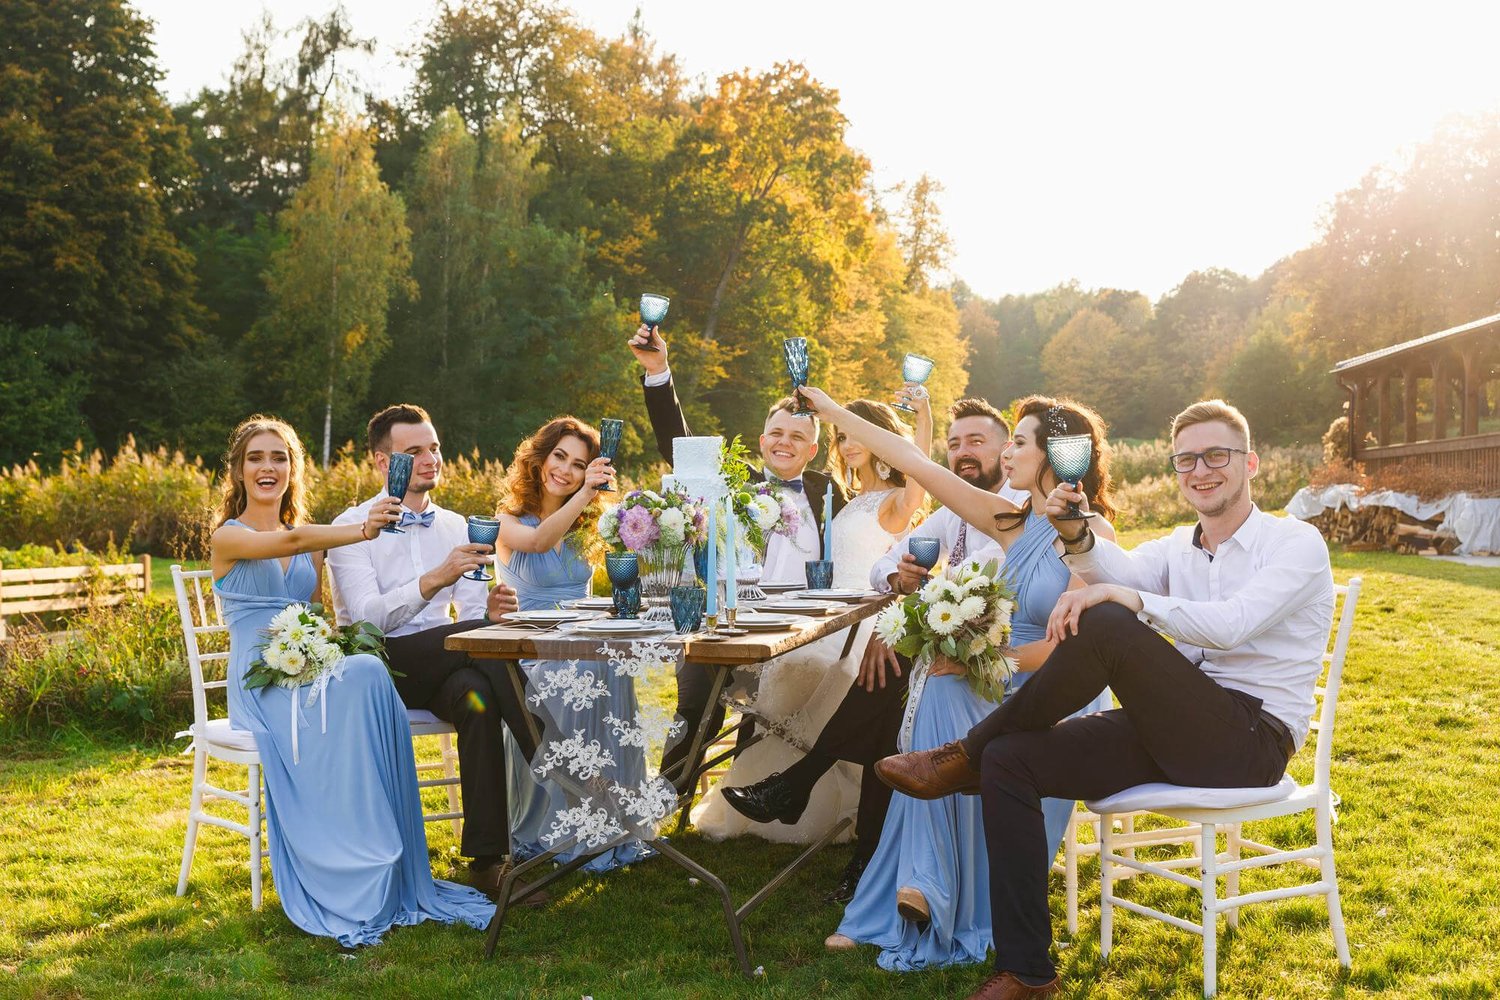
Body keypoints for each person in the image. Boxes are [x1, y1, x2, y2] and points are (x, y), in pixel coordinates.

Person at [874, 399, 1334, 1000]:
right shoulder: (1177, 546)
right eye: (1187, 459)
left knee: (1112, 623)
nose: (1201, 470)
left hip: (1249, 742)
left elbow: (1231, 624)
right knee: (1011, 759)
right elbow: (1114, 565)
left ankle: (964, 753)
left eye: (1216, 456)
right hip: (1169, 730)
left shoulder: (1295, 542)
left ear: (1250, 463)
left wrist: (1123, 599)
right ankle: (1027, 973)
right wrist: (1075, 534)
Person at [796, 389, 1118, 972]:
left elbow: (1066, 650)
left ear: (1055, 456)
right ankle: (922, 884)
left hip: (1053, 694)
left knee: (945, 689)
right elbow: (915, 463)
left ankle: (922, 888)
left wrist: (981, 660)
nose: (1010, 452)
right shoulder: (1009, 523)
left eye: (1020, 442)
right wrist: (832, 413)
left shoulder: (1090, 540)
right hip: (998, 677)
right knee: (938, 685)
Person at [717, 398, 1027, 903]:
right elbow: (888, 562)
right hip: (941, 650)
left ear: (1008, 450)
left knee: (890, 683)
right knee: (888, 692)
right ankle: (860, 849)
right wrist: (896, 584)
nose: (963, 452)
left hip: (1007, 663)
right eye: (954, 443)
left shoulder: (1019, 507)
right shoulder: (950, 512)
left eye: (976, 442)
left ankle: (802, 787)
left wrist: (892, 626)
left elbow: (978, 595)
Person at [211, 415, 496, 946]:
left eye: (279, 458)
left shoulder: (312, 538)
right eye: (256, 458)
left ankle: (385, 853)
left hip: (303, 662)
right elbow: (293, 540)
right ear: (238, 470)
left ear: (292, 469)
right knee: (369, 667)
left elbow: (314, 608)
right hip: (260, 678)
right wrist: (364, 528)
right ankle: (353, 860)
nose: (268, 467)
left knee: (366, 670)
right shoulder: (230, 535)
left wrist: (317, 647)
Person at [691, 394, 931, 844]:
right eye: (841, 434)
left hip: (864, 629)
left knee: (813, 684)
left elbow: (919, 469)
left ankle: (803, 797)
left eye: (855, 433)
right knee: (785, 686)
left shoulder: (901, 498)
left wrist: (924, 418)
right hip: (822, 620)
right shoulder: (845, 497)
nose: (846, 442)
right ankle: (775, 791)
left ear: (881, 439)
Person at [326, 404, 538, 901]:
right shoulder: (353, 526)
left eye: (435, 448)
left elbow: (469, 619)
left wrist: (491, 610)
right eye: (414, 451)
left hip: (449, 662)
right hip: (376, 667)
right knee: (477, 653)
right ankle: (547, 752)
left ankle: (488, 862)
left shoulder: (460, 526)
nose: (430, 459)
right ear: (382, 462)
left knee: (476, 695)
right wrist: (434, 580)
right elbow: (366, 624)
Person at [629, 325, 850, 792]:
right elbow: (678, 444)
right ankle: (666, 796)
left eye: (797, 435)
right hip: (724, 628)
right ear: (762, 439)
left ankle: (761, 786)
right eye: (776, 432)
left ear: (813, 450)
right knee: (693, 708)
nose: (784, 441)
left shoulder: (829, 494)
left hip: (799, 640)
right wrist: (658, 374)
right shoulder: (732, 481)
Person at [493, 416, 655, 872]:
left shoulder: (588, 527)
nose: (564, 470)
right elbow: (541, 542)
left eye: (579, 464)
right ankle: (561, 824)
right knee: (586, 670)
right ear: (540, 458)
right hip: (531, 653)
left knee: (608, 665)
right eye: (559, 456)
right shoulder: (505, 522)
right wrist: (587, 494)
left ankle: (610, 819)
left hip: (582, 642)